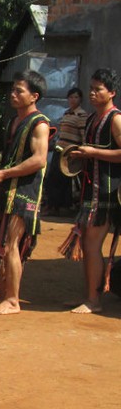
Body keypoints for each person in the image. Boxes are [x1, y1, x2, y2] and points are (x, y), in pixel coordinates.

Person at [0, 70, 51, 315]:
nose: (12, 94)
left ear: (34, 96)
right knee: (4, 245)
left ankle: (13, 300)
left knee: (12, 244)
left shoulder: (40, 123)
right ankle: (3, 295)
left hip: (25, 192)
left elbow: (39, 160)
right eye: (12, 90)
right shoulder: (15, 121)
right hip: (8, 189)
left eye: (19, 91)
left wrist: (3, 174)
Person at [59, 68, 121, 314]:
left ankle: (94, 301)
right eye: (92, 89)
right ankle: (89, 296)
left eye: (99, 90)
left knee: (93, 245)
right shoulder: (94, 118)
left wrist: (91, 153)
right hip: (90, 190)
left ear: (112, 92)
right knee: (87, 244)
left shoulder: (115, 119)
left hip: (106, 192)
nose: (93, 93)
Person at [44, 87, 87, 216]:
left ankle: (62, 207)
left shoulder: (81, 115)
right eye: (71, 97)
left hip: (71, 153)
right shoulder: (66, 113)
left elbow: (83, 135)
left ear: (80, 99)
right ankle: (53, 206)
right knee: (53, 178)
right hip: (60, 150)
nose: (73, 99)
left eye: (76, 97)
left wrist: (82, 151)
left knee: (64, 181)